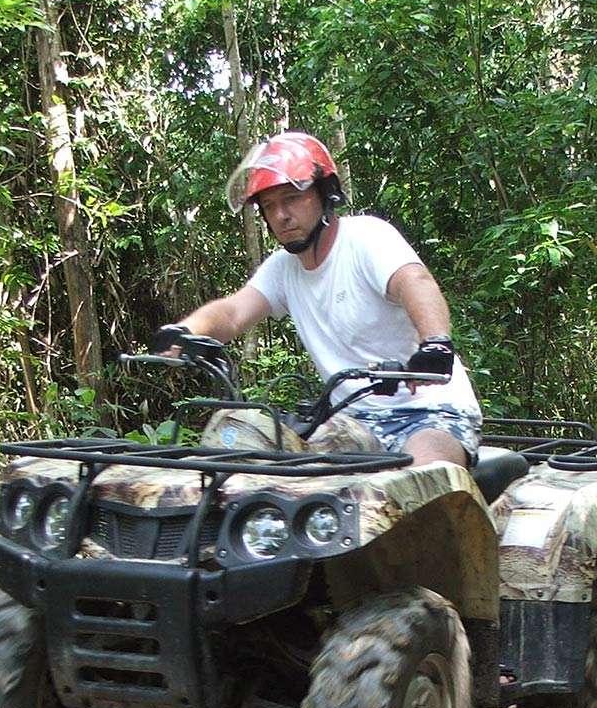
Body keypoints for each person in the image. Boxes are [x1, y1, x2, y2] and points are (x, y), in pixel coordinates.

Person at [152, 131, 481, 467]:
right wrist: (185, 331)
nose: (281, 215)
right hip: (352, 423)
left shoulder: (367, 238)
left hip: (430, 412)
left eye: (291, 199)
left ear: (326, 194)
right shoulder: (283, 269)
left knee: (423, 486)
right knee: (284, 487)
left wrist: (435, 343)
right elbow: (234, 312)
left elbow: (415, 282)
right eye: (269, 206)